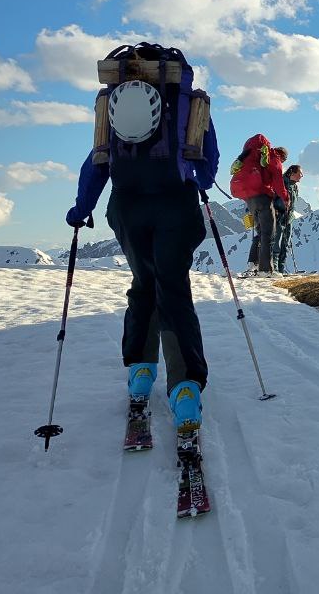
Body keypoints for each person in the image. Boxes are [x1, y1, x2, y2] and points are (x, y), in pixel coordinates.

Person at [65, 43, 218, 434]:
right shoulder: (183, 102)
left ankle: (141, 373)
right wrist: (198, 181)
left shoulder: (112, 107)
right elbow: (207, 157)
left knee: (143, 284)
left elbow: (98, 161)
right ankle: (185, 390)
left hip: (128, 209)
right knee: (174, 289)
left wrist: (82, 208)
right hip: (176, 207)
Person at [230, 137, 288, 275]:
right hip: (262, 196)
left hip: (249, 198)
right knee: (269, 233)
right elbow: (278, 181)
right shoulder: (274, 157)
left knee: (261, 232)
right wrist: (285, 198)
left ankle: (254, 264)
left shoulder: (251, 156)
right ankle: (266, 270)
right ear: (283, 156)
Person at [274, 163, 304, 272]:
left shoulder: (294, 186)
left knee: (285, 243)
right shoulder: (281, 183)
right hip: (280, 216)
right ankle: (275, 268)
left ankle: (281, 269)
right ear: (292, 173)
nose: (302, 176)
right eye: (300, 173)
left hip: (289, 217)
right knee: (276, 243)